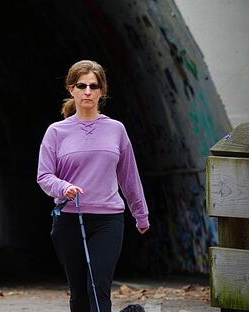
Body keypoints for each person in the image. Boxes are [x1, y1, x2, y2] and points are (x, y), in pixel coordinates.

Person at [36, 60, 149, 312]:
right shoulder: (56, 132)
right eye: (82, 85)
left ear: (102, 91)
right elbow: (44, 176)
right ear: (71, 89)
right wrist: (63, 187)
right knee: (79, 294)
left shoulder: (116, 129)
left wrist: (141, 214)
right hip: (69, 220)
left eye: (94, 86)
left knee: (98, 289)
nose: (88, 91)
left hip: (108, 220)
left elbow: (129, 176)